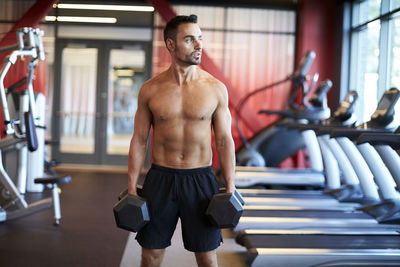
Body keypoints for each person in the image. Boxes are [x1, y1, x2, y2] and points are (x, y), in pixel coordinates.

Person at [127, 14, 236, 267]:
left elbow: (223, 140)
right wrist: (131, 186)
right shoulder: (150, 89)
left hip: (200, 180)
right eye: (190, 39)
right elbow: (140, 140)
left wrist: (230, 185)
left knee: (207, 257)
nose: (199, 45)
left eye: (200, 38)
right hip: (160, 179)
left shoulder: (215, 88)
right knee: (150, 255)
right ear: (171, 44)